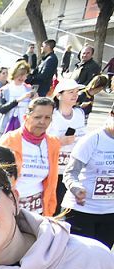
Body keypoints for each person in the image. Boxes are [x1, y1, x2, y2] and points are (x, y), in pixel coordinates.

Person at [0, 97, 60, 216]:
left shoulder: (53, 144)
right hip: (10, 209)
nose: (42, 121)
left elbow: (52, 182)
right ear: (26, 117)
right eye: (37, 117)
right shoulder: (9, 141)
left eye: (47, 117)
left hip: (38, 210)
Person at [62, 105, 114, 247]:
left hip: (110, 212)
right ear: (111, 114)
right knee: (79, 259)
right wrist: (76, 188)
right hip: (82, 210)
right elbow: (70, 173)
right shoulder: (92, 139)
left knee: (101, 258)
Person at [48, 79, 86, 208]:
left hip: (72, 169)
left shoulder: (80, 114)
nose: (75, 95)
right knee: (53, 205)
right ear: (59, 95)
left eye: (77, 92)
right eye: (70, 92)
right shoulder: (51, 115)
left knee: (68, 206)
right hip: (53, 169)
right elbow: (39, 141)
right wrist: (59, 142)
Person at [0, 61, 35, 134]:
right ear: (14, 74)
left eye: (24, 75)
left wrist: (36, 100)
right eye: (19, 74)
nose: (21, 77)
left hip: (22, 128)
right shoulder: (5, 90)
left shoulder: (29, 90)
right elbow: (1, 109)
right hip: (4, 128)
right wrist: (18, 100)